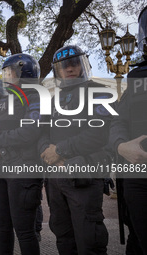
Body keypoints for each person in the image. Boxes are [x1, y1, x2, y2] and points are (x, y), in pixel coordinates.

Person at [39, 46, 112, 255]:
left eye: (74, 63)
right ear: (58, 71)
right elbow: (41, 132)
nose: (69, 68)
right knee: (63, 237)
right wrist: (46, 150)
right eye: (64, 65)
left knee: (90, 240)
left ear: (82, 65)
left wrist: (60, 150)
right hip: (55, 180)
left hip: (84, 177)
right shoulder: (54, 100)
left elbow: (99, 133)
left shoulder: (99, 92)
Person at [0, 54, 43, 255]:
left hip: (23, 169)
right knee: (2, 226)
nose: (7, 77)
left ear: (25, 72)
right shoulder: (3, 102)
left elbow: (31, 131)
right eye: (5, 73)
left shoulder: (36, 97)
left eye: (12, 73)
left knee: (24, 230)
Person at [109, 6, 147, 254]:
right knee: (138, 235)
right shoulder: (137, 77)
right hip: (137, 175)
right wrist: (121, 145)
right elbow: (118, 120)